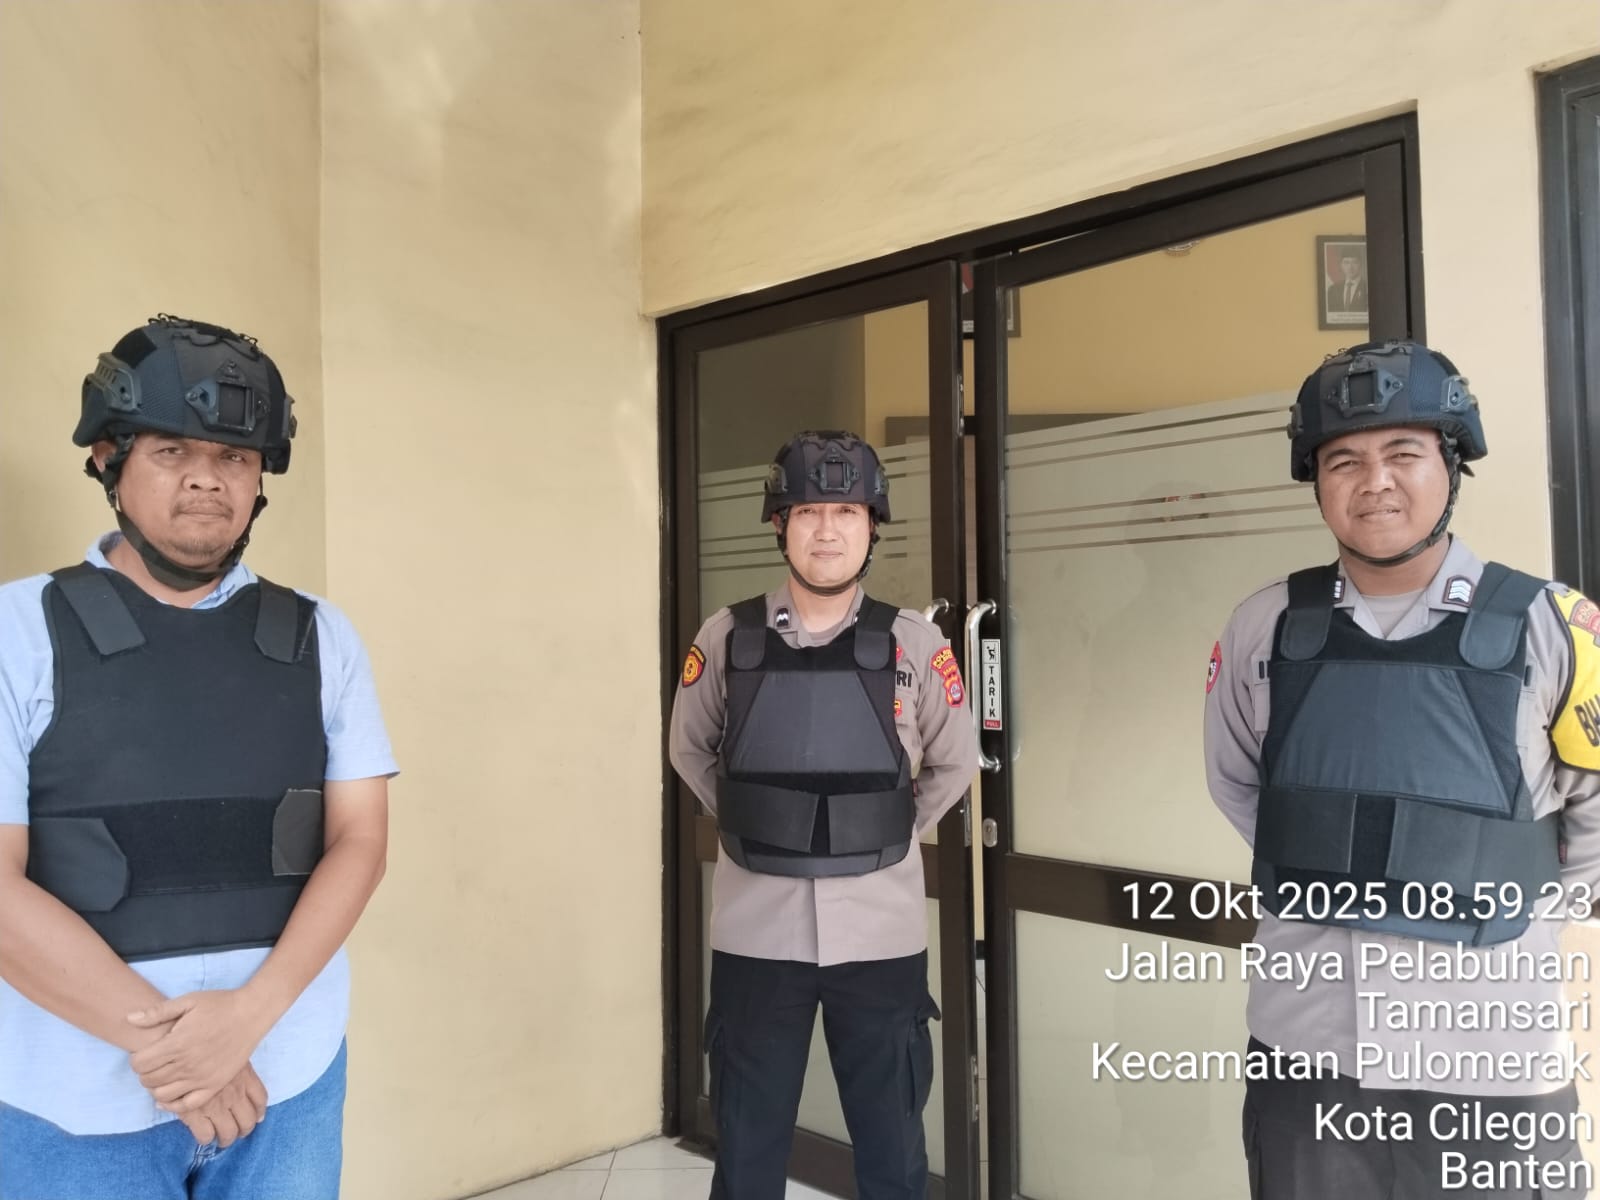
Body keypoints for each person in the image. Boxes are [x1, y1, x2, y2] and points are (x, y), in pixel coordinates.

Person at [0, 315, 395, 1200]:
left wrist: (247, 1021)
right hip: (75, 1107)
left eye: (234, 457)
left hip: (287, 1082)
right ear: (109, 459)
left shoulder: (322, 637)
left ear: (260, 479)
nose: (208, 479)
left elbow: (361, 843)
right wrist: (183, 1056)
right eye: (173, 450)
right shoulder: (17, 632)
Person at [1205, 339, 1600, 1198]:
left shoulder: (1552, 626)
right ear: (1316, 481)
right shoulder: (1263, 627)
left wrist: (1495, 907)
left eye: (1403, 453)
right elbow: (1239, 784)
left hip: (1493, 1055)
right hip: (1308, 1048)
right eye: (1343, 460)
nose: (1374, 482)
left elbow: (1593, 820)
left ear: (1451, 464)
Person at [670, 430, 979, 1200]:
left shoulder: (915, 644)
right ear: (781, 524)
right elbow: (688, 749)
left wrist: (885, 832)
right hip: (755, 933)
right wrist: (754, 823)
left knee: (892, 1153)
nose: (828, 530)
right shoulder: (727, 637)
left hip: (881, 936)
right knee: (747, 1152)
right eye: (808, 511)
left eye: (847, 511)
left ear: (873, 525)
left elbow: (956, 761)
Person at [1326, 249, 1369, 316]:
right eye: (1346, 262)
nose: (1350, 267)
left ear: (1360, 264)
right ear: (1341, 265)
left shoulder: (1367, 288)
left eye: (1354, 262)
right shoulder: (1333, 289)